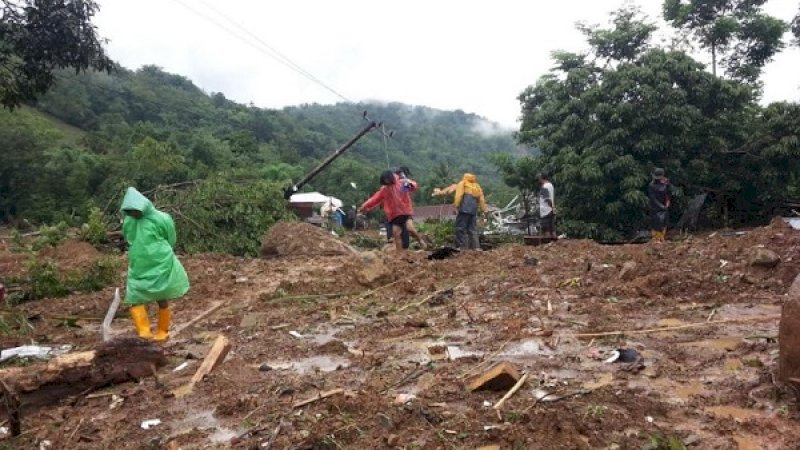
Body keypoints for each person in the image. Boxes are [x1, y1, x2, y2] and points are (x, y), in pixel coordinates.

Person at [121, 187, 190, 341]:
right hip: (139, 263)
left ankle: (162, 331)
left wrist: (159, 252)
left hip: (160, 262)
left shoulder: (161, 218)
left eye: (135, 210)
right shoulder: (129, 220)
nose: (134, 213)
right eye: (130, 211)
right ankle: (144, 332)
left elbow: (170, 238)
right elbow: (128, 237)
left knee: (161, 294)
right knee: (135, 297)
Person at [360, 170, 427, 251]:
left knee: (410, 229)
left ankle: (420, 241)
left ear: (391, 178)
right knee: (396, 233)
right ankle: (400, 254)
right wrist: (364, 206)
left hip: (405, 212)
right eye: (385, 180)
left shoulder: (401, 183)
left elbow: (413, 188)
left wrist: (410, 184)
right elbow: (374, 199)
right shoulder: (384, 190)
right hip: (394, 215)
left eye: (387, 179)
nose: (387, 181)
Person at [453, 173, 487, 249]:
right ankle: (476, 248)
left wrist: (456, 206)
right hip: (473, 211)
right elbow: (481, 200)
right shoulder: (477, 186)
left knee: (460, 228)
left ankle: (462, 247)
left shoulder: (463, 183)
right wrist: (483, 210)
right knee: (472, 229)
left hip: (464, 209)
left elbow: (459, 196)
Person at [648, 168, 673, 242]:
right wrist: (660, 206)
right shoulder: (651, 185)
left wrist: (668, 185)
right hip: (655, 207)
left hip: (664, 206)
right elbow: (652, 198)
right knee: (656, 223)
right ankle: (656, 239)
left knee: (664, 222)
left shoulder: (665, 184)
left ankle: (662, 238)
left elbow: (669, 194)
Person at [538, 173, 556, 238]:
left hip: (545, 211)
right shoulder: (551, 185)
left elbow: (547, 199)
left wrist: (552, 206)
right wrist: (553, 208)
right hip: (551, 210)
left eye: (539, 178)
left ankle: (548, 245)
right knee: (552, 229)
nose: (538, 179)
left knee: (546, 229)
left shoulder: (544, 187)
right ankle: (556, 245)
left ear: (541, 178)